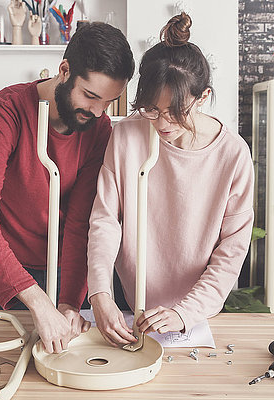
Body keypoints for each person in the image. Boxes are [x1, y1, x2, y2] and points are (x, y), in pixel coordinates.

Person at [0, 22, 134, 354]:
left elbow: (82, 220)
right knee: (1, 370)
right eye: (91, 96)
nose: (98, 111)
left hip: (66, 269)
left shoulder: (99, 129)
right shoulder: (5, 111)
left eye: (109, 102)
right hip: (7, 269)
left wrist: (69, 302)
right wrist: (37, 300)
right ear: (64, 71)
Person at [87, 13, 254, 346]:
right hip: (129, 299)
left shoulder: (233, 154)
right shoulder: (127, 136)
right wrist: (100, 293)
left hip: (194, 313)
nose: (162, 123)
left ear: (202, 97)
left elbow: (231, 249)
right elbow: (105, 221)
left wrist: (185, 312)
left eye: (175, 112)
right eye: (151, 109)